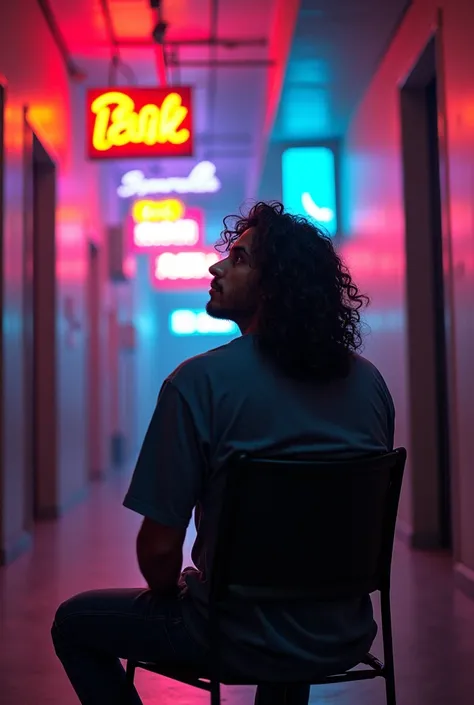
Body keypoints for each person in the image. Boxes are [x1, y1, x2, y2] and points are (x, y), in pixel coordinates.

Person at [52, 201, 395, 705]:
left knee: (74, 623)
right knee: (285, 603)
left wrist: (179, 595)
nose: (216, 266)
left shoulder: (198, 383)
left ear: (274, 285)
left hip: (228, 636)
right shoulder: (370, 385)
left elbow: (159, 553)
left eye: (238, 258)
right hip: (342, 634)